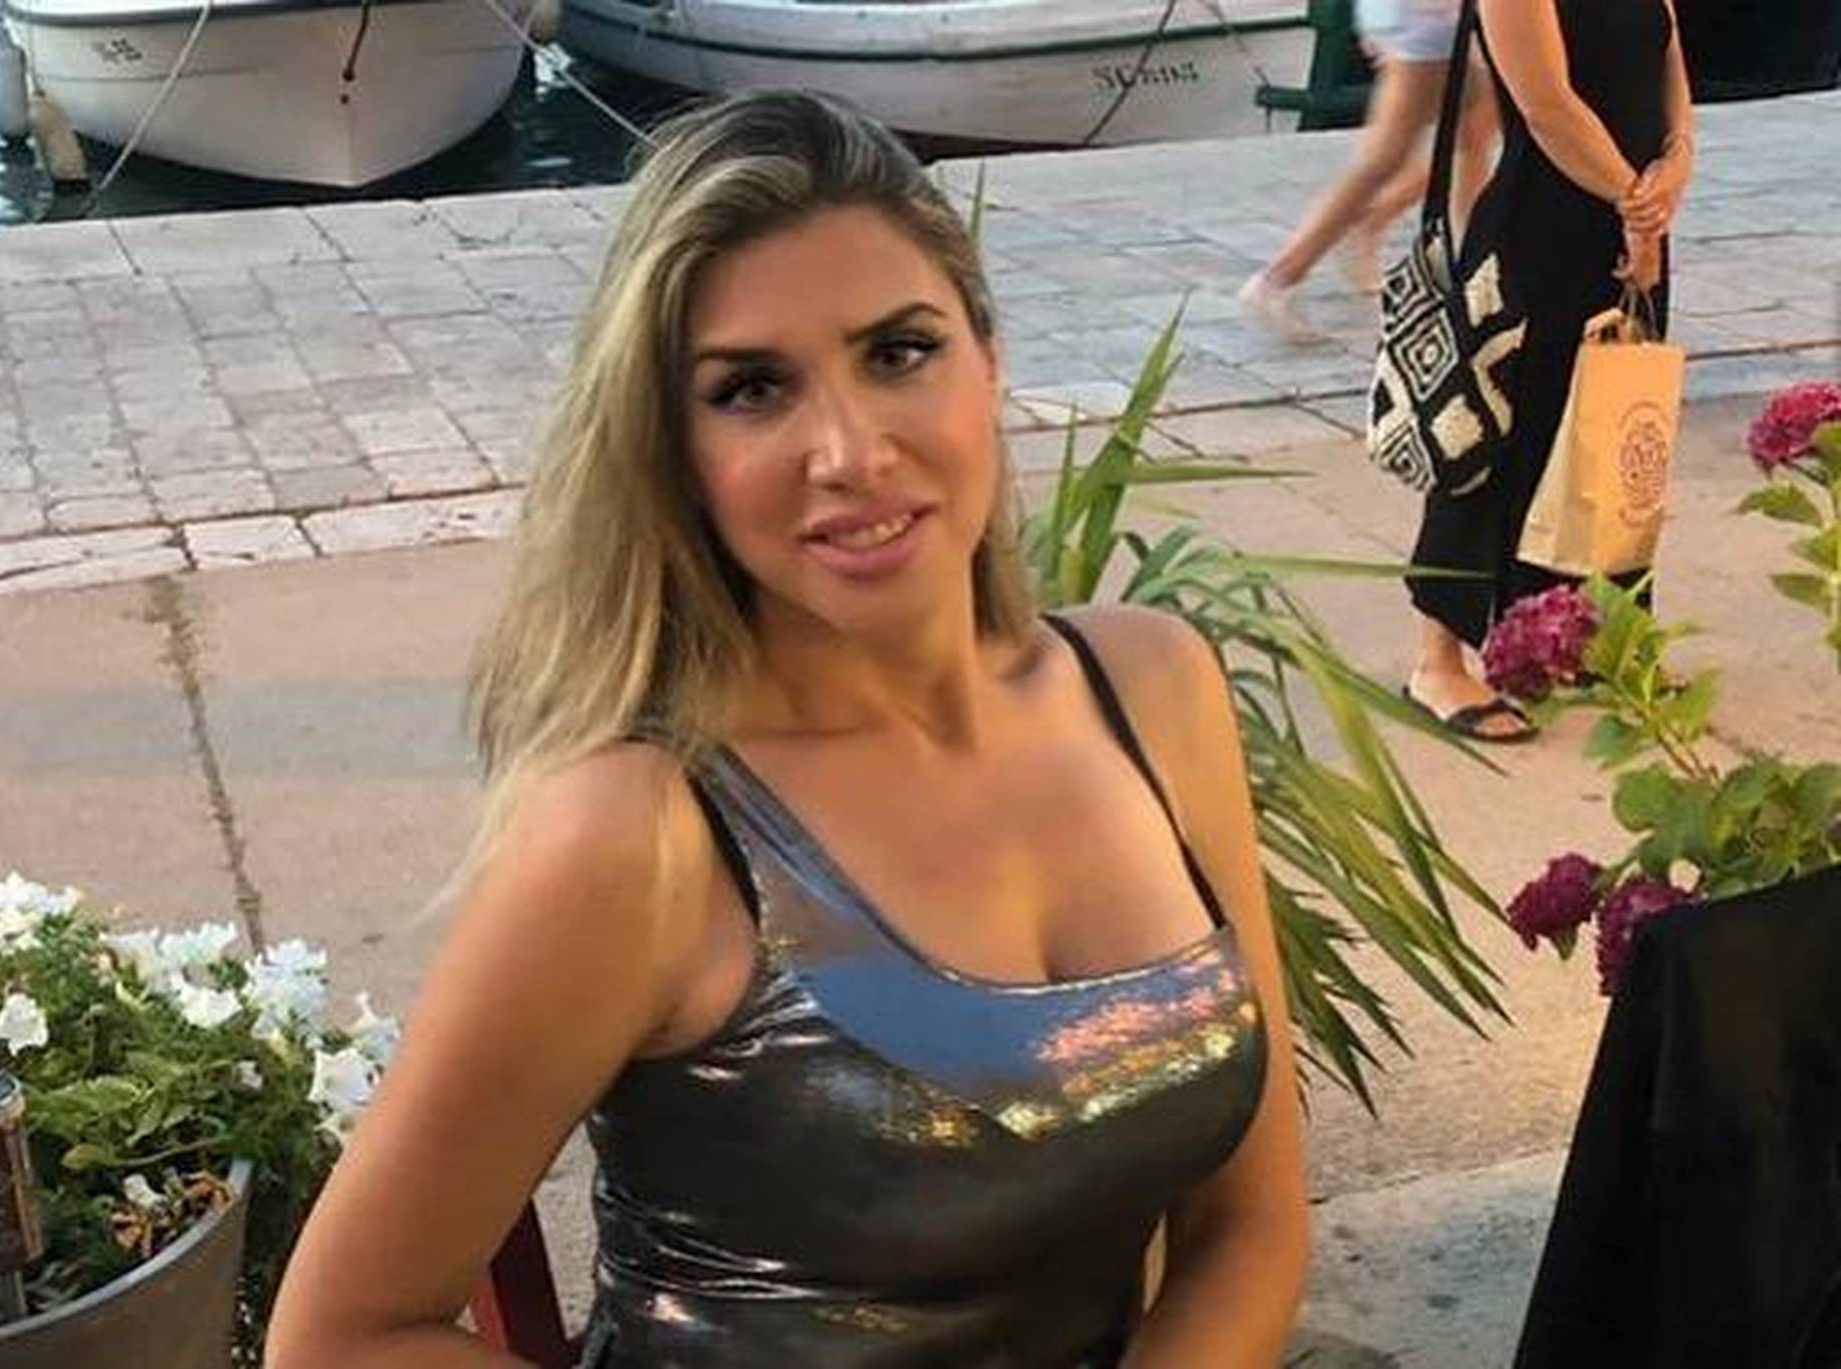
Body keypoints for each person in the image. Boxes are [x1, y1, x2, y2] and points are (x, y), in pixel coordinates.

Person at [264, 91, 1309, 1368]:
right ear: (674, 450)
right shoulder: (639, 833)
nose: (848, 451)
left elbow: (1250, 1229)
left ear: (989, 358)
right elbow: (341, 1338)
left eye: (899, 352)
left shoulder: (1152, 689)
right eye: (753, 389)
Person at [1402, 0, 1694, 740]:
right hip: (1539, 236)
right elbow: (1547, 107)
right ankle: (1438, 659)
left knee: (1614, 435)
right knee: (1496, 438)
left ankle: (1593, 633)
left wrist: (1677, 162)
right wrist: (1637, 205)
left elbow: (1669, 65)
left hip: (1631, 224)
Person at [1239, 0, 1500, 339]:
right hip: (1426, 25)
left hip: (1426, 22)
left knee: (1473, 136)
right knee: (1387, 157)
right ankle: (1280, 276)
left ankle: (1460, 260)